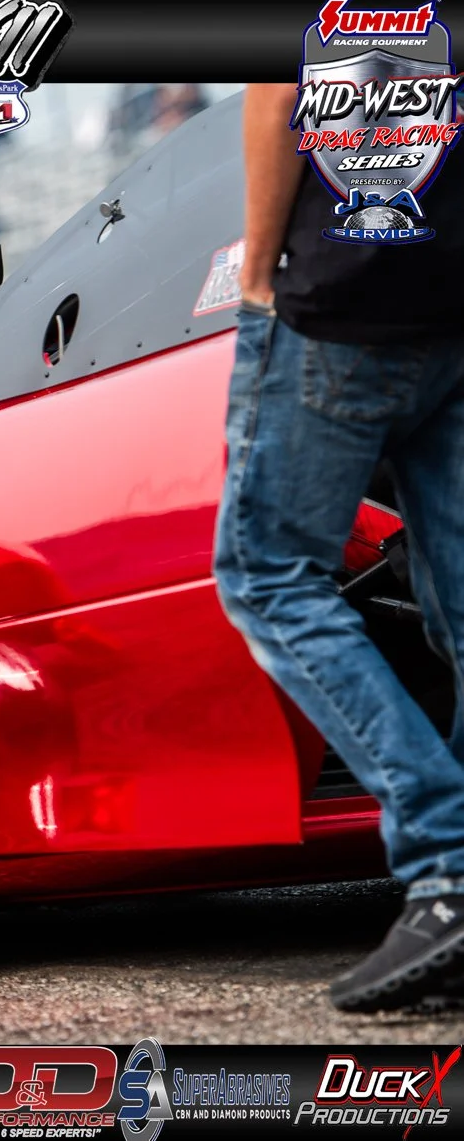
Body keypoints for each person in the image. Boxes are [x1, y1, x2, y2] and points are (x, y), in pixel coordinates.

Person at [214, 84, 464, 1012]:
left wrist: (255, 277)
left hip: (343, 299)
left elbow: (278, 87)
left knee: (266, 578)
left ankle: (447, 864)